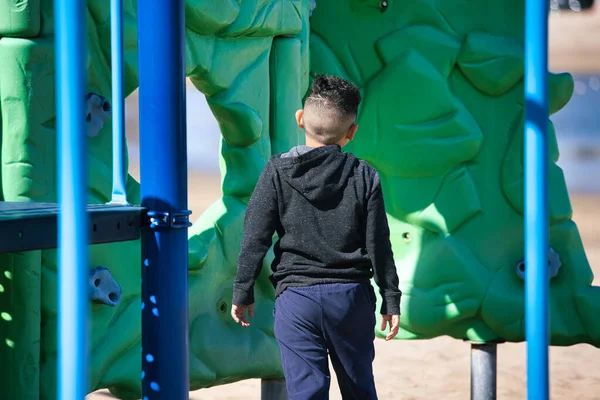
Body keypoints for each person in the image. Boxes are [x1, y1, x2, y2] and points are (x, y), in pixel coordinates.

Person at [231, 74, 402, 400]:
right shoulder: (364, 175)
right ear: (351, 132)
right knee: (360, 389)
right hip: (351, 299)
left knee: (307, 393)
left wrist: (243, 291)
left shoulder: (277, 171)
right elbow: (378, 243)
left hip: (297, 299)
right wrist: (390, 297)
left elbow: (255, 237)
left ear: (300, 119)